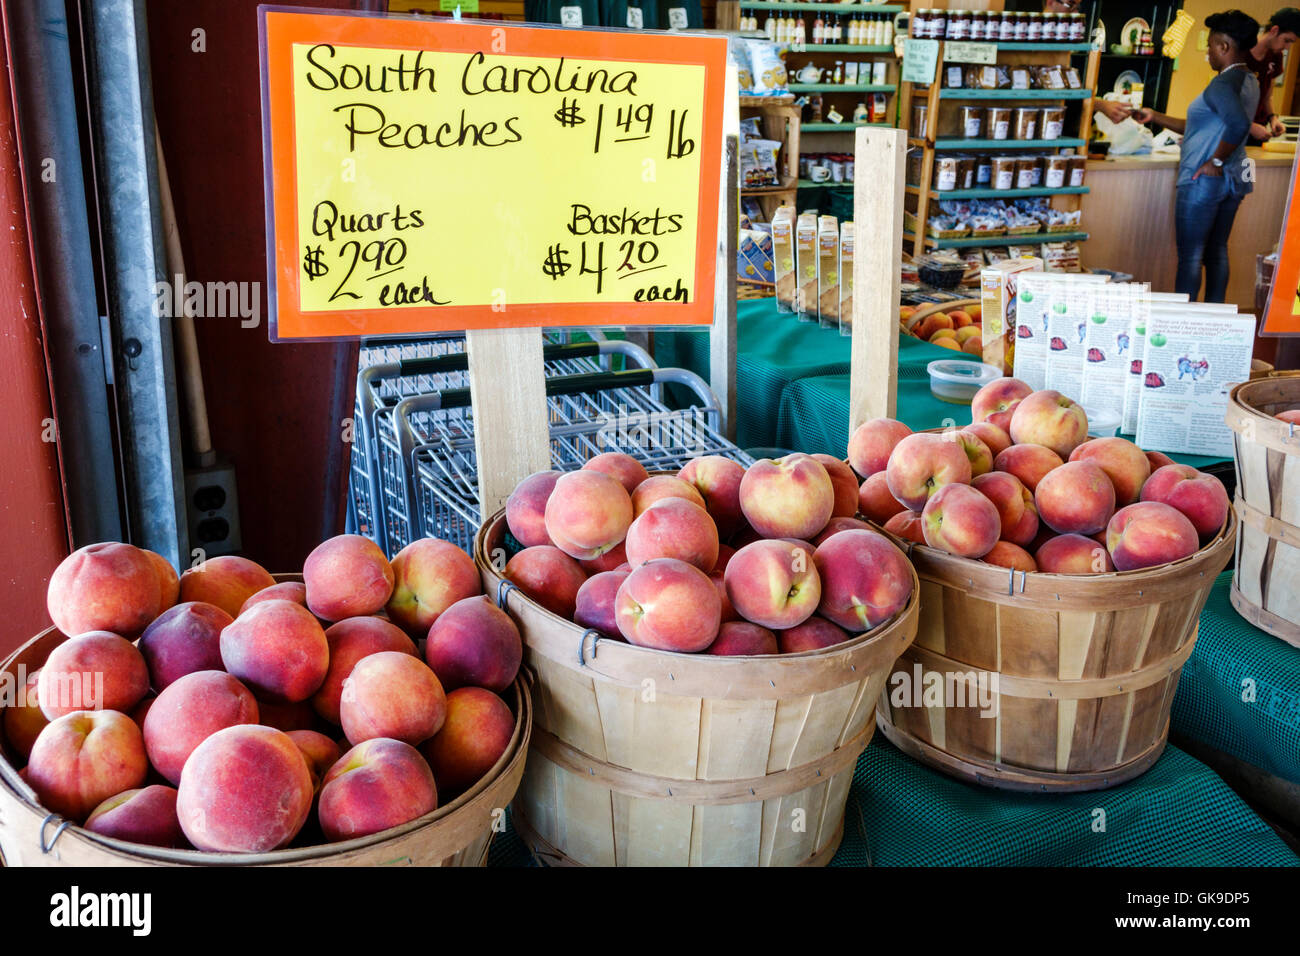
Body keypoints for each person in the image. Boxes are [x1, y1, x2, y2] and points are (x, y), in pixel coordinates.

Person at [1131, 10, 1260, 302]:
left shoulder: (1221, 84)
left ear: (1224, 47)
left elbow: (1239, 124)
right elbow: (1207, 125)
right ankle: (1214, 318)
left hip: (1205, 180)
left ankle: (1183, 323)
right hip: (1236, 177)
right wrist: (1155, 116)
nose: (1207, 54)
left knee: (1190, 257)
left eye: (1211, 46)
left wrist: (1213, 160)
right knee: (1217, 252)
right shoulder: (1249, 80)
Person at [1246, 8, 1300, 142]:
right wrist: (1249, 126)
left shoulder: (1276, 56)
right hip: (1236, 127)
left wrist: (1273, 118)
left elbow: (1267, 96)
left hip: (1260, 128)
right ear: (1274, 30)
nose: (1287, 47)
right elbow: (1227, 102)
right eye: (1286, 40)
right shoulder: (1242, 53)